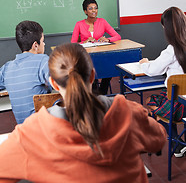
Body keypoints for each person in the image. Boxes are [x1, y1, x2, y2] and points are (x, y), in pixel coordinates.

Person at [0, 43, 166, 183]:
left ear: (54, 84)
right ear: (93, 75)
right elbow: (158, 140)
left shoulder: (30, 133)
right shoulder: (129, 113)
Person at [139, 6, 186, 158]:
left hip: (177, 106)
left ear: (168, 29)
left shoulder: (171, 50)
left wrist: (144, 63)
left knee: (152, 100)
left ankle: (176, 144)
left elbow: (153, 70)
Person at [0, 20, 52, 124]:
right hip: (44, 128)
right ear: (35, 45)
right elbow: (61, 83)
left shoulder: (7, 68)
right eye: (43, 41)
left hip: (23, 130)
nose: (44, 44)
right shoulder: (43, 61)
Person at [71, 0, 121, 95]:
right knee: (90, 74)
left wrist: (108, 39)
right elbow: (73, 43)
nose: (94, 10)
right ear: (85, 11)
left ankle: (102, 93)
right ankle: (94, 93)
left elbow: (117, 36)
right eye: (90, 8)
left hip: (102, 56)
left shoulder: (102, 22)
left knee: (109, 69)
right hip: (86, 58)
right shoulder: (79, 24)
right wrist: (85, 42)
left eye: (96, 8)